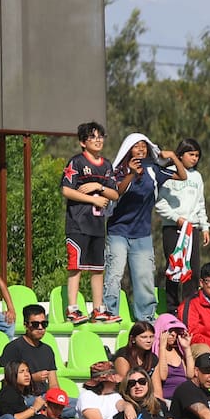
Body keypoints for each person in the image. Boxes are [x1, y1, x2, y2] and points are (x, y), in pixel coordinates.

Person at [104, 133, 185, 322]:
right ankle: (109, 313)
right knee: (114, 273)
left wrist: (173, 157)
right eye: (136, 146)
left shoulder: (153, 170)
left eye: (143, 145)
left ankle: (146, 317)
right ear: (128, 149)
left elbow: (182, 176)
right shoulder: (119, 170)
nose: (140, 149)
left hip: (142, 234)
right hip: (118, 231)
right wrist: (132, 173)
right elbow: (116, 192)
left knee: (144, 276)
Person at [60, 121, 121, 326]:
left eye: (100, 136)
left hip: (97, 225)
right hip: (77, 224)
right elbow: (66, 190)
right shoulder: (76, 162)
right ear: (82, 142)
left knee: (97, 268)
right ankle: (72, 308)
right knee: (76, 266)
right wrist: (92, 199)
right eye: (92, 137)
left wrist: (98, 187)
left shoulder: (106, 165)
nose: (98, 140)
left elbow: (114, 194)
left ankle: (98, 309)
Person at [156, 137, 210, 310]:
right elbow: (160, 203)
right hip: (173, 228)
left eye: (197, 156)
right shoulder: (169, 173)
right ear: (180, 155)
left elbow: (200, 203)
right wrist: (176, 218)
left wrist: (204, 226)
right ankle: (171, 308)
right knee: (174, 267)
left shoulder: (197, 177)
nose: (194, 158)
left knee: (192, 270)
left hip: (191, 228)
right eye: (191, 154)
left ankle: (189, 308)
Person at [0, 306, 62, 398]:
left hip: (45, 397)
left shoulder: (47, 350)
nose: (40, 328)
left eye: (44, 324)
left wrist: (59, 399)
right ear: (26, 325)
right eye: (35, 324)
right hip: (22, 397)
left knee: (75, 403)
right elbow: (7, 383)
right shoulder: (13, 348)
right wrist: (33, 378)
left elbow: (53, 384)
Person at [150, 315, 194, 403]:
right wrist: (162, 347)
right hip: (168, 399)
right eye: (170, 331)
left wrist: (187, 348)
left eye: (176, 331)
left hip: (185, 397)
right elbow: (162, 376)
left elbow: (190, 374)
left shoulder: (178, 351)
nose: (174, 334)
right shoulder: (155, 351)